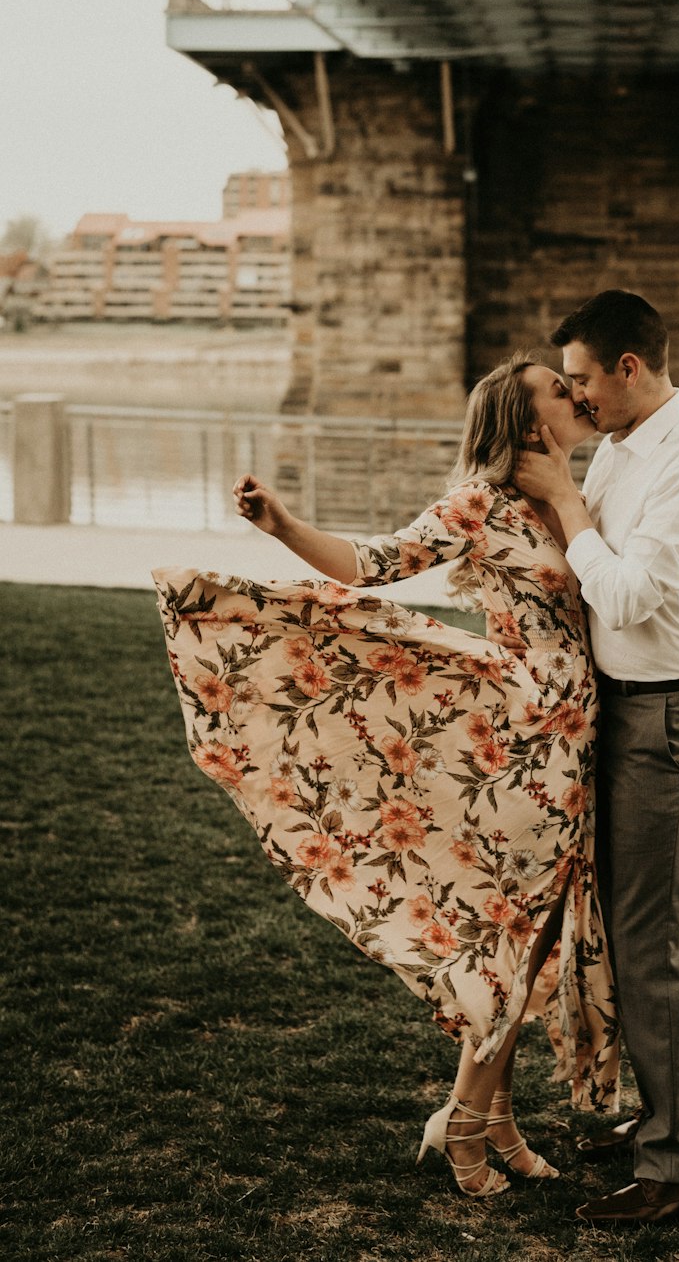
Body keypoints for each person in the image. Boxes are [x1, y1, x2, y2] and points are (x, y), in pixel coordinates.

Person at [152, 355, 620, 1201]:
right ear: (525, 421)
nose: (578, 394)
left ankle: (498, 1118)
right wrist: (284, 527)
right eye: (560, 389)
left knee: (539, 934)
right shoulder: (484, 501)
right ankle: (465, 1127)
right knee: (513, 936)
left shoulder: (570, 499)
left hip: (570, 738)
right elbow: (375, 562)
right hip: (521, 743)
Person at [515, 290, 679, 1227]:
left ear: (628, 368)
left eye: (581, 379)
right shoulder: (618, 448)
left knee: (655, 954)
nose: (576, 398)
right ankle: (664, 1118)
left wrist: (567, 501)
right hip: (618, 717)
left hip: (669, 722)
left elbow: (622, 598)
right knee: (623, 933)